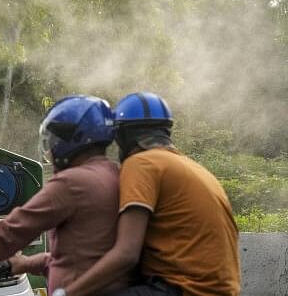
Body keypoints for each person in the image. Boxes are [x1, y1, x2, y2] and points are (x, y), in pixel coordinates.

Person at [0, 95, 134, 295]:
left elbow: (10, 232)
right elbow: (81, 259)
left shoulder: (72, 183)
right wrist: (25, 263)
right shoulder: (113, 174)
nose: (51, 150)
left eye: (53, 141)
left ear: (70, 139)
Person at [63, 92, 240, 296]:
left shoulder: (142, 163)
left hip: (184, 289)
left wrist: (66, 293)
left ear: (123, 137)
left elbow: (126, 254)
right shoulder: (190, 167)